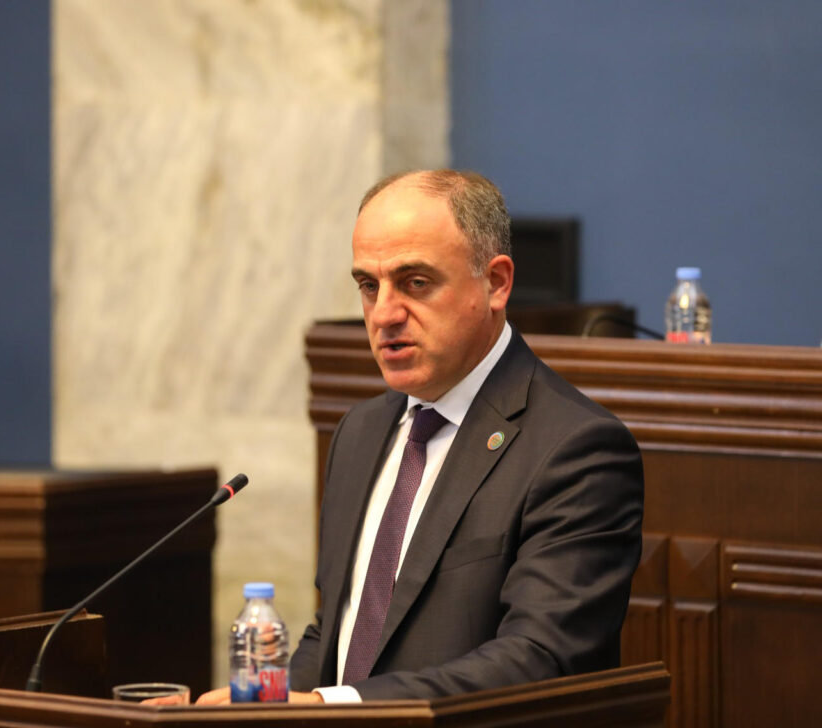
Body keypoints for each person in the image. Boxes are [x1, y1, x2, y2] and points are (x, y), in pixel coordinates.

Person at [198, 169, 643, 704]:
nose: (384, 314)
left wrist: (331, 708)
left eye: (415, 283)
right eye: (369, 286)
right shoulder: (360, 432)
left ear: (496, 283)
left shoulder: (575, 449)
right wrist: (256, 707)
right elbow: (335, 630)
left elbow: (540, 658)